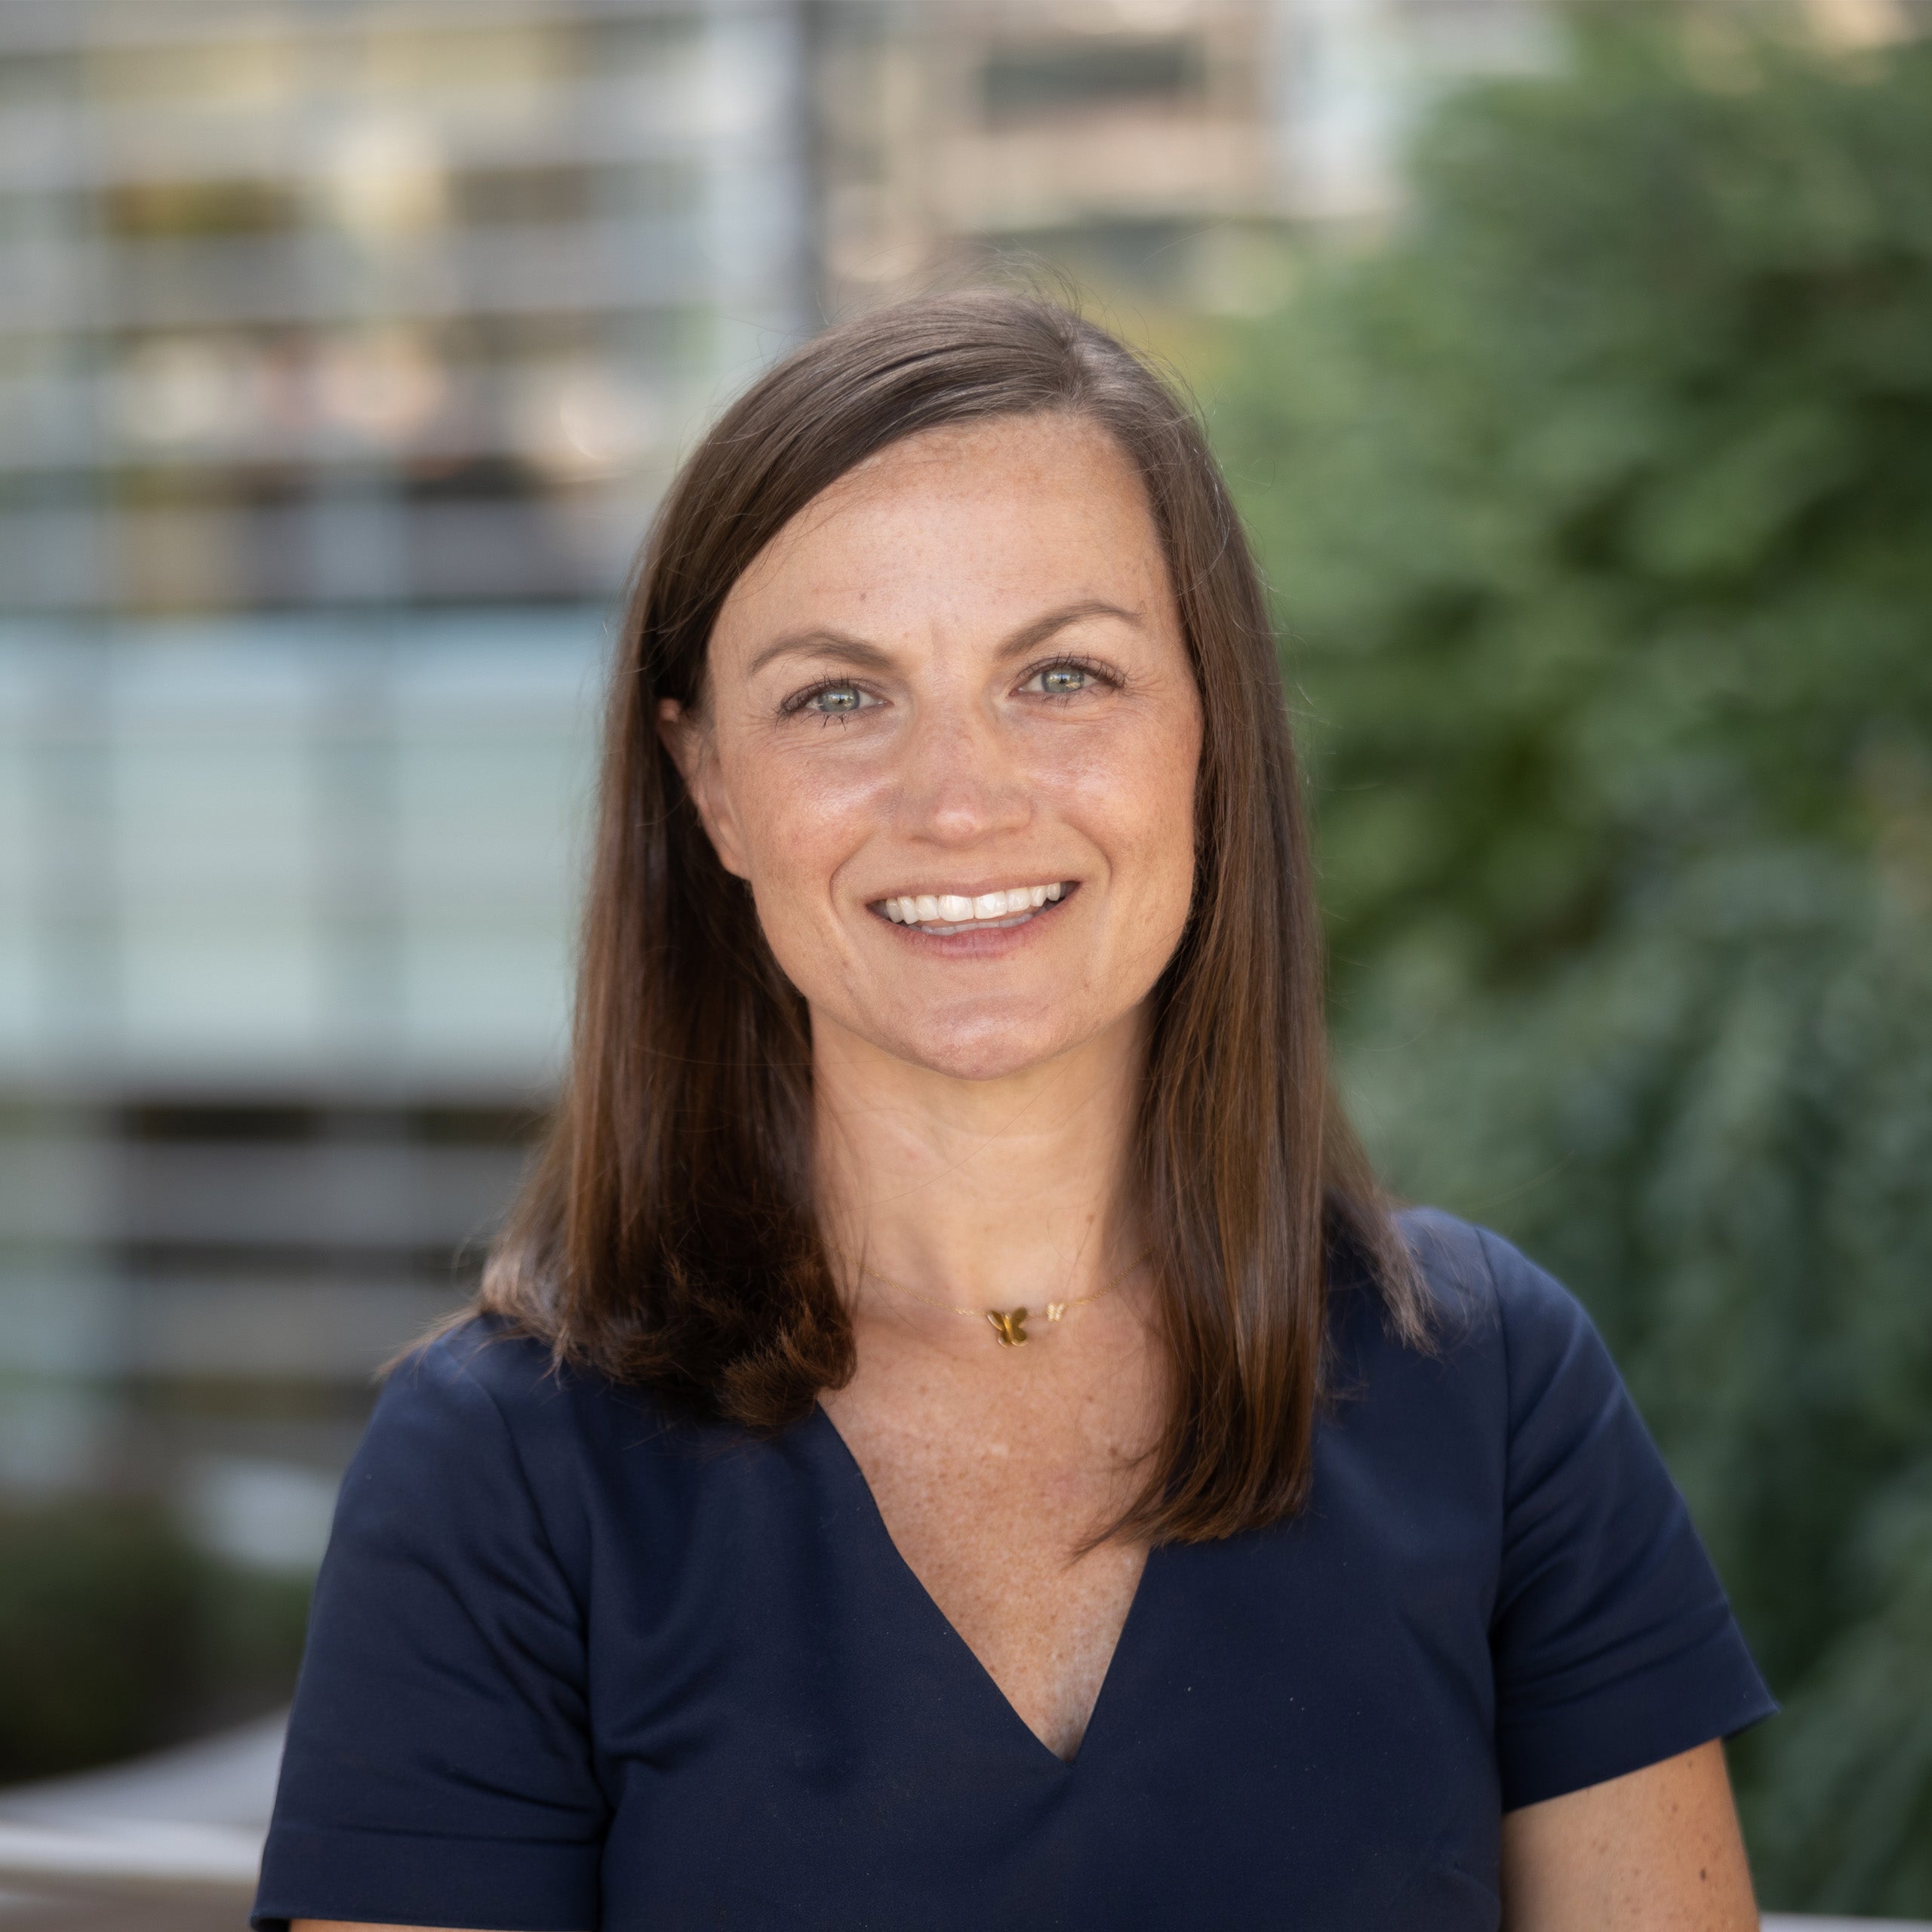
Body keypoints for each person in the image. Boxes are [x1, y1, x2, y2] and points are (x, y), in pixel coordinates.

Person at [254, 294, 1774, 1932]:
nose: (960, 797)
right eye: (838, 696)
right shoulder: (503, 1469)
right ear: (706, 783)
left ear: (1207, 727)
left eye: (1059, 673)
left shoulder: (1492, 1389)